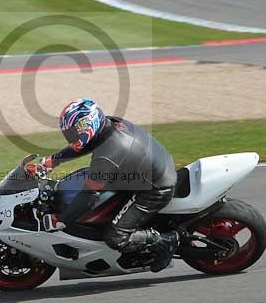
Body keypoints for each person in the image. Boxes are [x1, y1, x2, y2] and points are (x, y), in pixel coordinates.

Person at [25, 98, 180, 272]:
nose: (70, 136)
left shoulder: (109, 153)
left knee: (115, 237)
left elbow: (89, 196)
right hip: (146, 169)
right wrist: (53, 161)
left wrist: (62, 220)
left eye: (73, 132)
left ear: (87, 126)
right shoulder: (107, 125)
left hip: (156, 188)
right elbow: (86, 144)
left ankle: (165, 242)